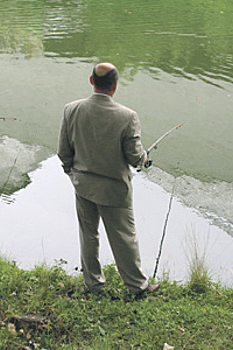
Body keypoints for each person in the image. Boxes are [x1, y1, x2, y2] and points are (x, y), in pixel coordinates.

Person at [57, 62, 159, 295]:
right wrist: (145, 159)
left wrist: (72, 173)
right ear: (115, 85)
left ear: (92, 81)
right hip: (114, 190)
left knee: (88, 235)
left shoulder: (71, 109)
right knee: (124, 238)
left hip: (83, 185)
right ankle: (137, 286)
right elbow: (134, 158)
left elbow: (63, 151)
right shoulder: (127, 116)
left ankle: (93, 284)